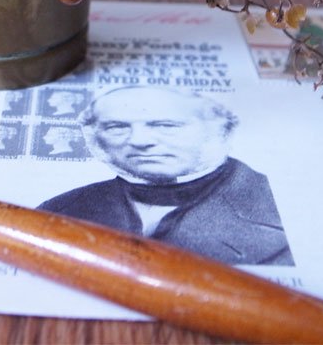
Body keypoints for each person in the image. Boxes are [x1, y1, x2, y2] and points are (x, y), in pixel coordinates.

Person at [38, 86, 295, 266]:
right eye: (116, 127)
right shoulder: (57, 211)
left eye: (166, 126)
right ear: (95, 138)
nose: (139, 141)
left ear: (221, 129)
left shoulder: (280, 207)